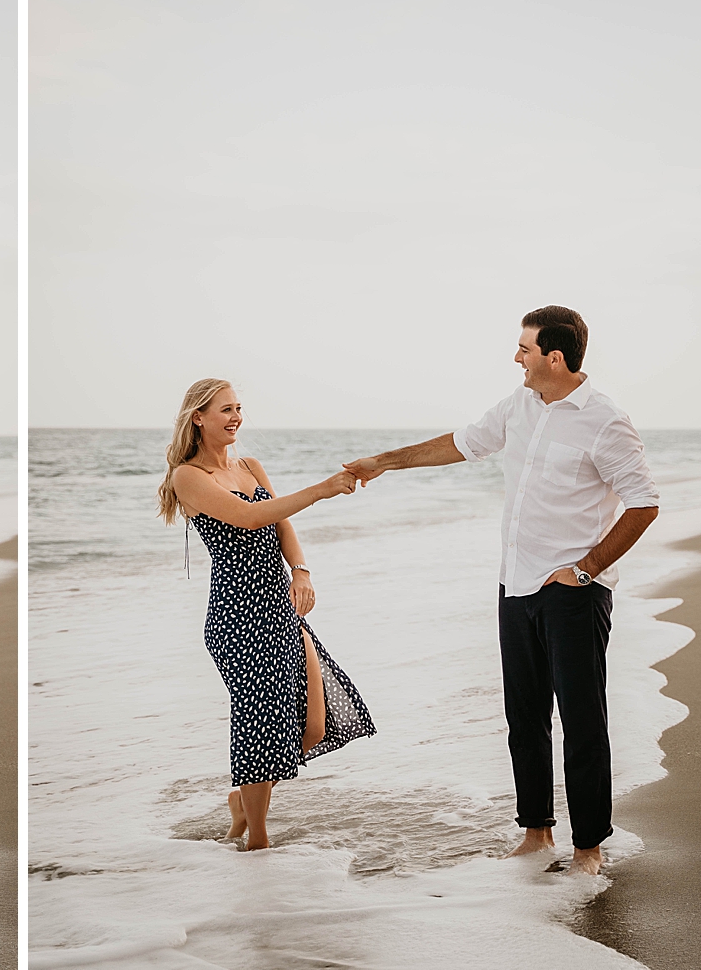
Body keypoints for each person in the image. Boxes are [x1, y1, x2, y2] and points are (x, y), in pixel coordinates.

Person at [343, 305, 659, 875]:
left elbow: (643, 503)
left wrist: (585, 568)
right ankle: (537, 833)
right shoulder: (519, 406)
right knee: (525, 715)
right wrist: (382, 462)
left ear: (553, 357)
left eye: (525, 348)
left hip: (573, 591)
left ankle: (588, 847)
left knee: (582, 721)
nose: (517, 356)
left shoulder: (606, 420)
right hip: (516, 585)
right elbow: (461, 444)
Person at [159, 378, 376, 851]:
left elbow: (280, 523)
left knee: (313, 725)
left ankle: (242, 800)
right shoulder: (187, 476)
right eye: (225, 410)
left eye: (238, 408)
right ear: (198, 417)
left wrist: (301, 572)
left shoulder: (251, 466)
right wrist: (321, 489)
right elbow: (250, 517)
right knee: (261, 729)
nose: (236, 417)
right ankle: (256, 838)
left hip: (280, 606)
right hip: (237, 616)